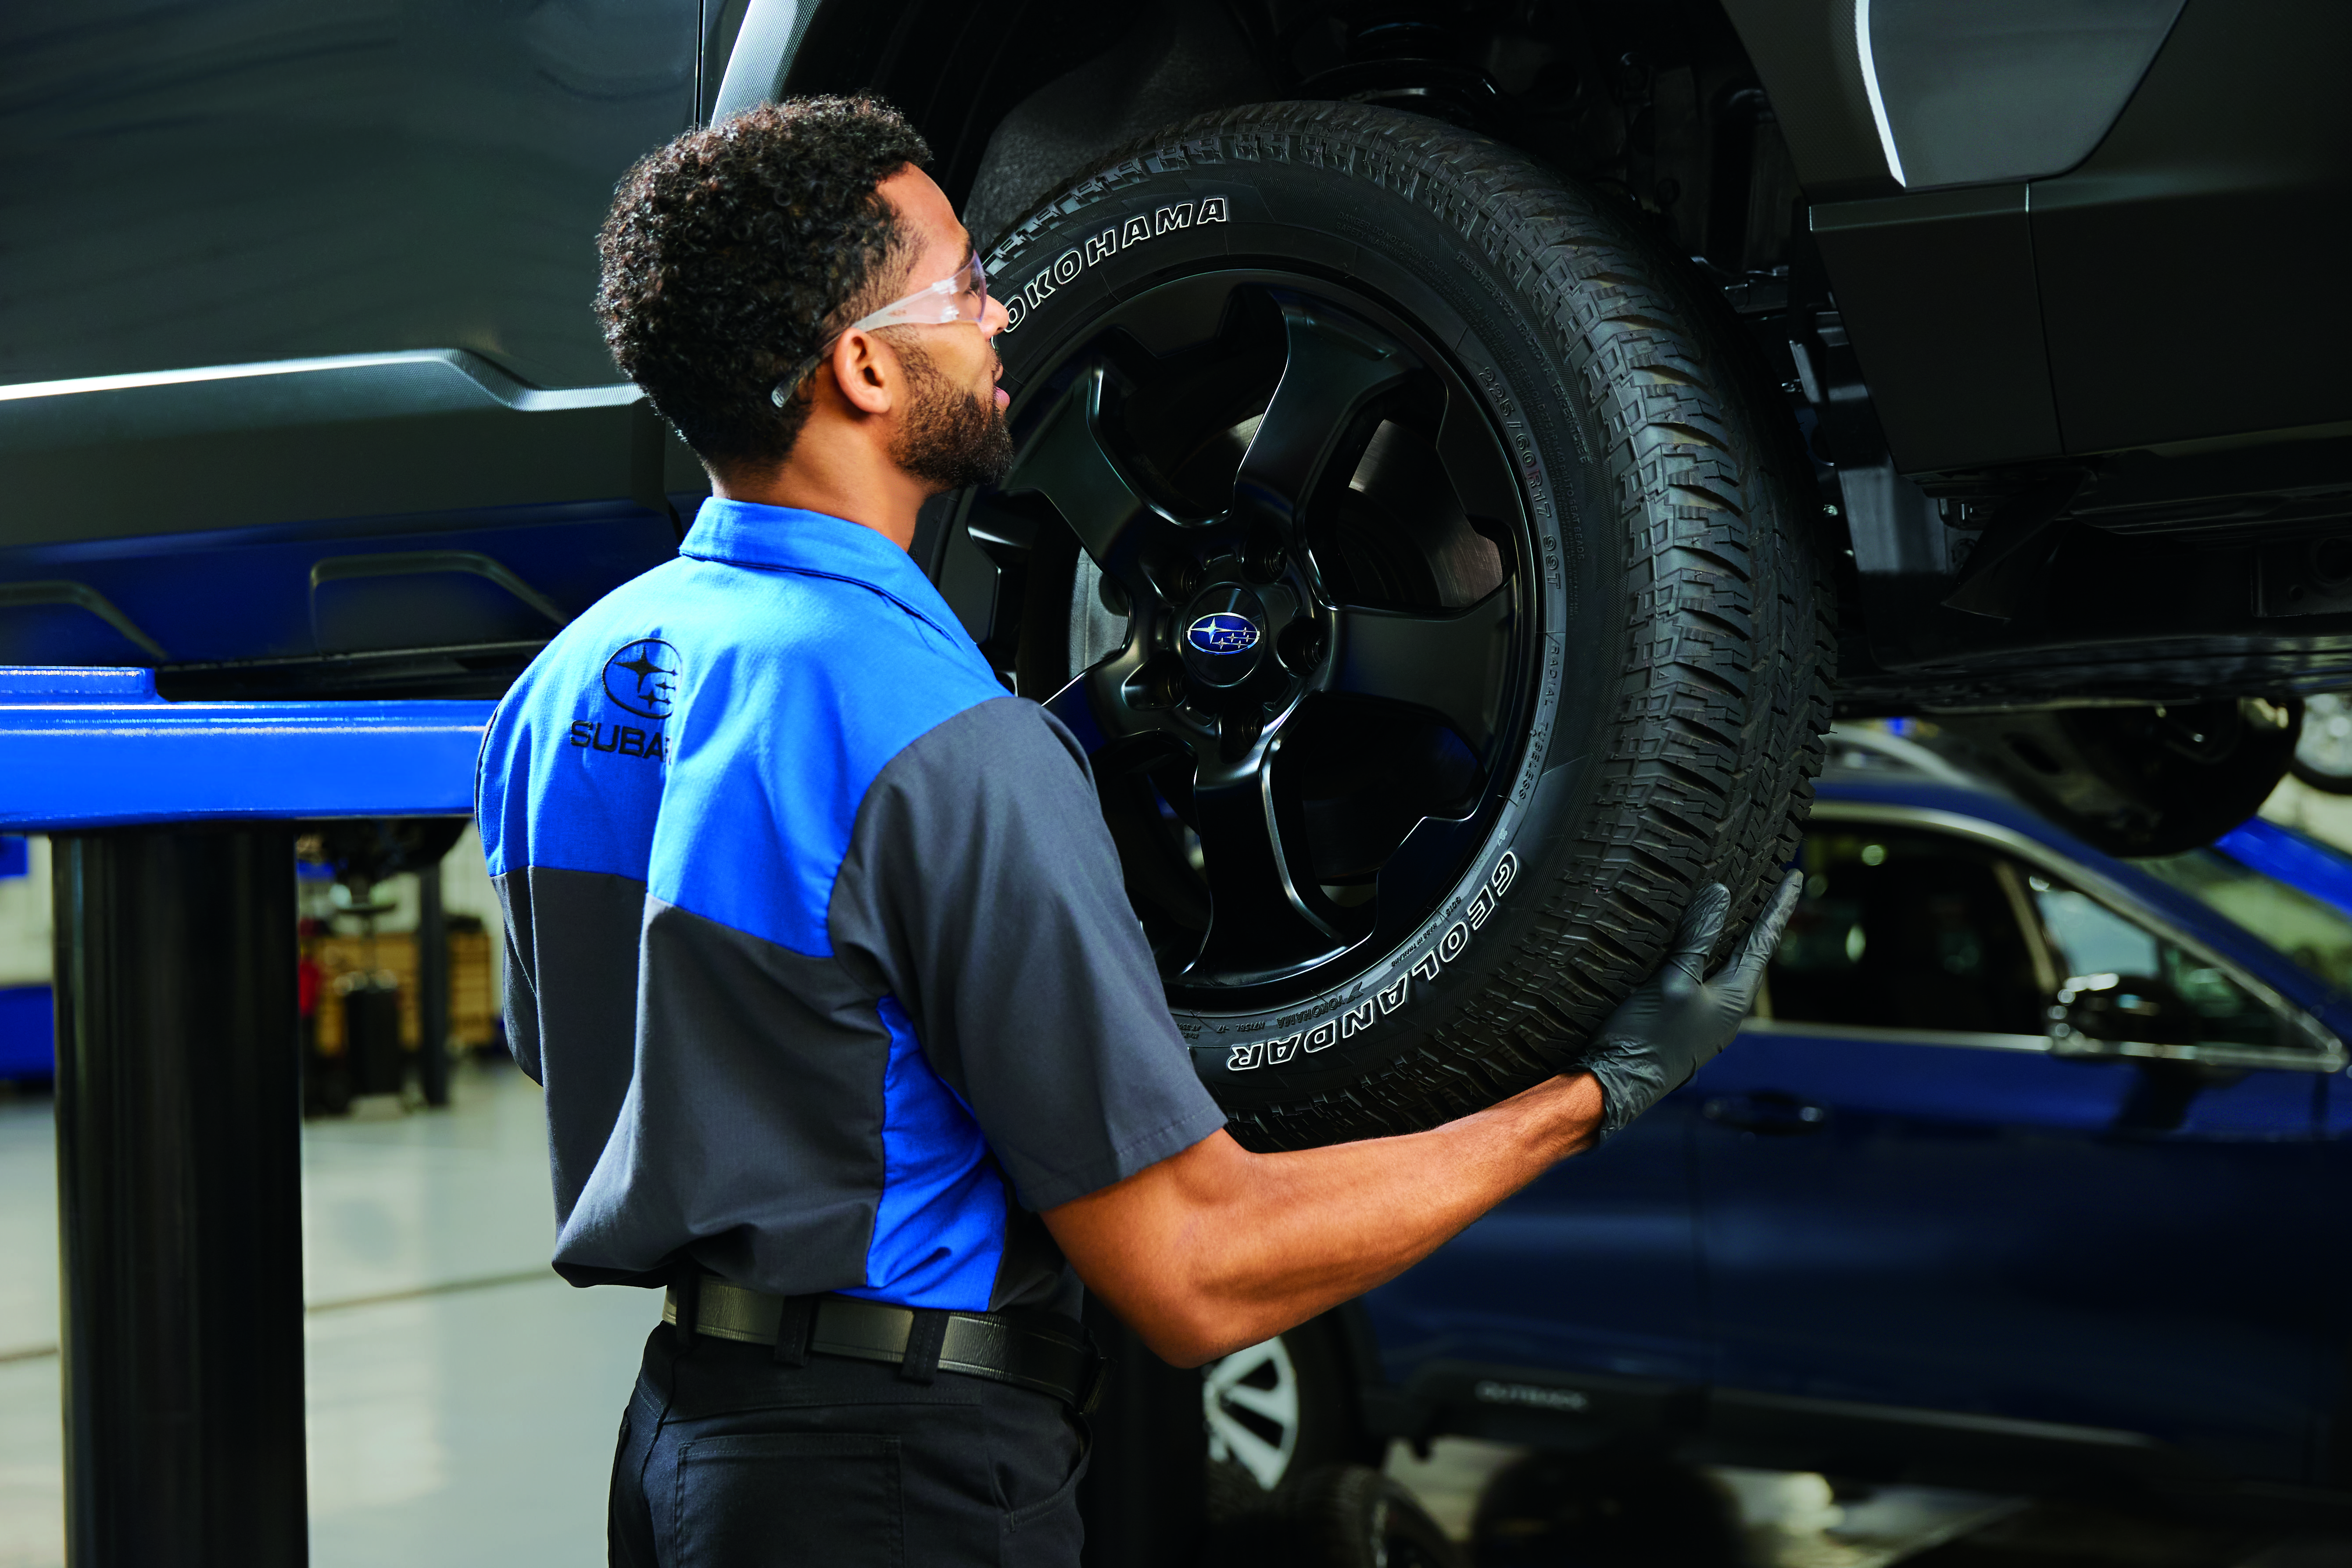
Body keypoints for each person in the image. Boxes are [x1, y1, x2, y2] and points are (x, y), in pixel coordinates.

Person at [473, 95, 1800, 1568]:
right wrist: (1589, 1097)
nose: (999, 324)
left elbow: (602, 1043)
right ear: (861, 365)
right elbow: (1195, 1271)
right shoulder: (944, 734)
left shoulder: (567, 690)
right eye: (966, 288)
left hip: (678, 1445)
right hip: (886, 1476)